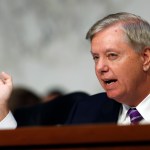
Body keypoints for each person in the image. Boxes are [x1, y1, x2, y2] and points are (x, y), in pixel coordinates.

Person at [66, 12, 150, 125]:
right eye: (96, 57)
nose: (100, 67)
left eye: (112, 55)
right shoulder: (86, 111)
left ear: (145, 58)